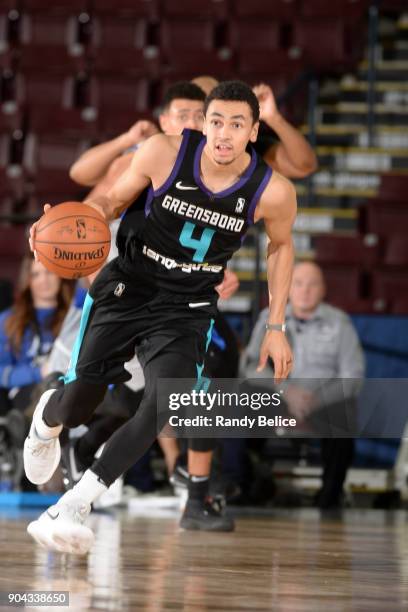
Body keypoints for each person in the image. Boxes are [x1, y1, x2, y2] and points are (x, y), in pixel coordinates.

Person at [24, 80, 296, 554]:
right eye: (216, 122)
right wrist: (68, 227)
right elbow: (111, 202)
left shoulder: (272, 190)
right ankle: (46, 420)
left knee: (166, 402)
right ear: (204, 124)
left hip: (185, 307)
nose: (224, 134)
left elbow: (281, 246)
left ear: (254, 131)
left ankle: (73, 505)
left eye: (237, 124)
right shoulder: (162, 152)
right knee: (80, 404)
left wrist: (276, 326)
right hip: (129, 285)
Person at [241, 261, 365, 508]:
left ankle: (329, 499)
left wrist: (317, 400)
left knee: (343, 413)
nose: (305, 290)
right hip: (279, 397)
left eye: (312, 284)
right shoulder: (269, 318)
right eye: (298, 283)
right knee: (244, 402)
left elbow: (353, 376)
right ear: (287, 288)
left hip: (323, 403)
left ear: (323, 289)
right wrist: (286, 392)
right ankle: (245, 488)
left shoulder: (339, 323)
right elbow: (250, 367)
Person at [0, 257, 73, 415]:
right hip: (26, 395)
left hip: (68, 387)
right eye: (36, 274)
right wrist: (39, 372)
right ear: (28, 280)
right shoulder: (8, 320)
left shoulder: (74, 316)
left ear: (60, 276)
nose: (44, 280)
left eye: (49, 272)